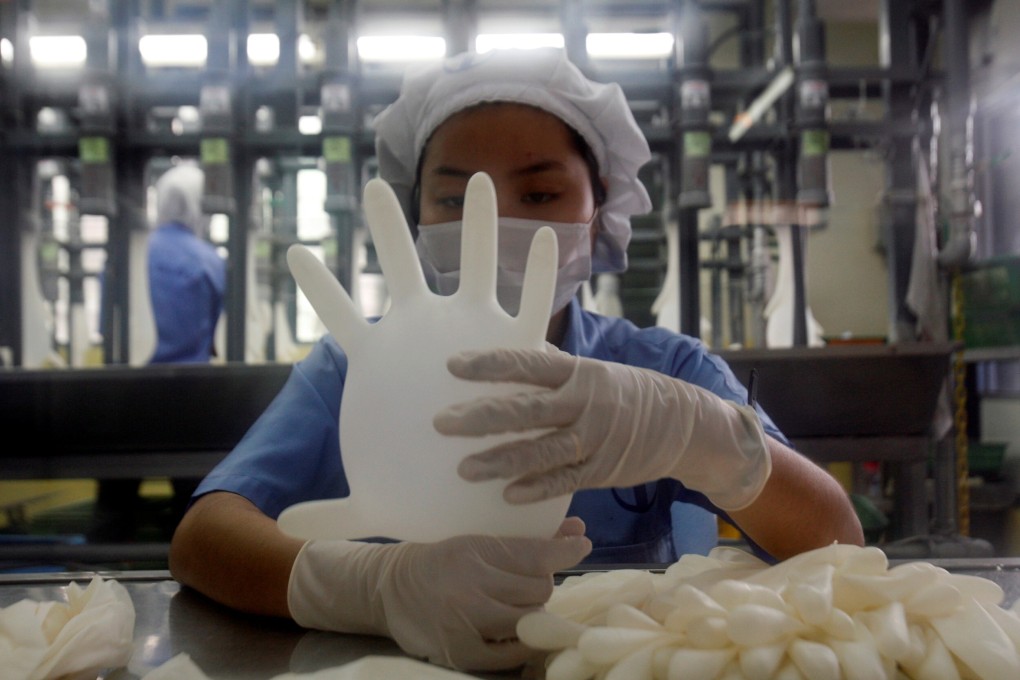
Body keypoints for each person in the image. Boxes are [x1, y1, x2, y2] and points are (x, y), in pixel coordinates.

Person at [169, 48, 863, 671]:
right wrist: (374, 589)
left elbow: (838, 542)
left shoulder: (662, 372)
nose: (493, 221)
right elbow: (202, 540)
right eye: (453, 196)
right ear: (415, 221)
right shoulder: (355, 368)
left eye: (539, 193)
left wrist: (700, 438)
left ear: (600, 214)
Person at [92, 164, 226, 542]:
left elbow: (106, 327)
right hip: (189, 404)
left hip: (124, 401)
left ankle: (99, 575)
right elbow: (221, 333)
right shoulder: (208, 260)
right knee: (193, 505)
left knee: (113, 509)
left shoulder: (122, 257)